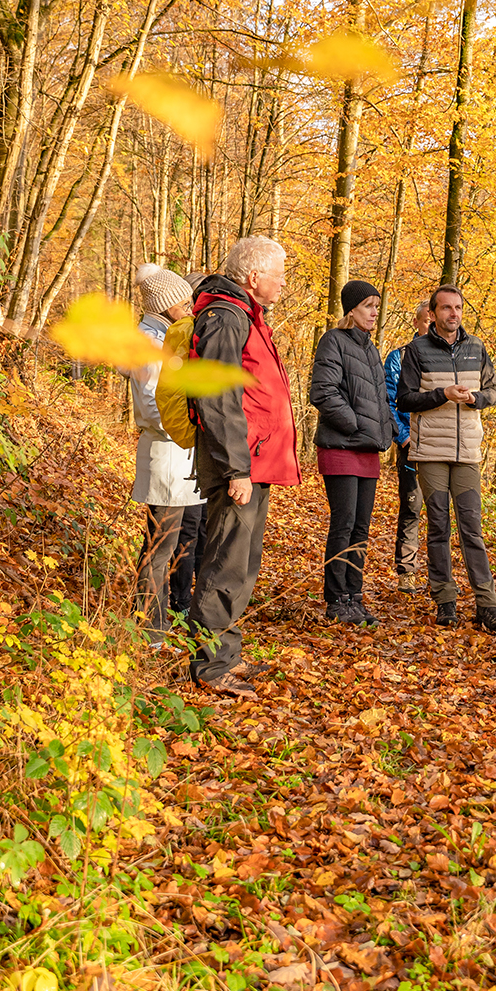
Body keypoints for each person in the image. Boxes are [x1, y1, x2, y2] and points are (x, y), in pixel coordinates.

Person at [187, 237, 300, 697]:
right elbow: (216, 396)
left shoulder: (245, 316)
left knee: (241, 564)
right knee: (225, 563)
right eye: (279, 275)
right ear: (254, 277)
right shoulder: (226, 316)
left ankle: (226, 655)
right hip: (239, 463)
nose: (283, 283)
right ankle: (211, 666)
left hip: (254, 461)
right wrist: (236, 469)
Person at [395, 285, 496, 633]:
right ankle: (445, 601)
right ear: (433, 314)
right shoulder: (417, 350)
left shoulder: (476, 347)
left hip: (468, 453)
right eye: (446, 308)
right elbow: (404, 399)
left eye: (458, 307)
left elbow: (495, 391)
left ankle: (487, 605)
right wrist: (442, 394)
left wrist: (476, 398)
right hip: (431, 452)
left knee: (472, 528)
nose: (453, 314)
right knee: (438, 526)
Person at [124, 264, 207, 649]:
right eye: (184, 302)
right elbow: (152, 404)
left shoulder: (165, 338)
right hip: (166, 452)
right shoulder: (149, 344)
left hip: (180, 452)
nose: (190, 308)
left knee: (175, 544)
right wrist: (191, 422)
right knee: (160, 548)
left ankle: (161, 622)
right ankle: (150, 632)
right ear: (165, 304)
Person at [309, 280, 396, 626]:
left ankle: (354, 597)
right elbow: (323, 392)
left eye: (376, 305)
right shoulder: (333, 340)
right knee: (343, 524)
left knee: (361, 527)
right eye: (368, 306)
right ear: (351, 310)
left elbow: (380, 399)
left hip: (368, 450)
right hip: (341, 447)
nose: (375, 312)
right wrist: (356, 425)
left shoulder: (371, 349)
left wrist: (386, 430)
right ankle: (336, 600)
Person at [384, 301, 435, 594]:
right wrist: (403, 437)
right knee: (412, 508)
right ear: (416, 322)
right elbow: (389, 401)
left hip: (442, 446)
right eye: (427, 321)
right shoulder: (398, 357)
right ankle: (407, 573)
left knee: (440, 511)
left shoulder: (450, 357)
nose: (432, 326)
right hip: (411, 446)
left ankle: (440, 575)